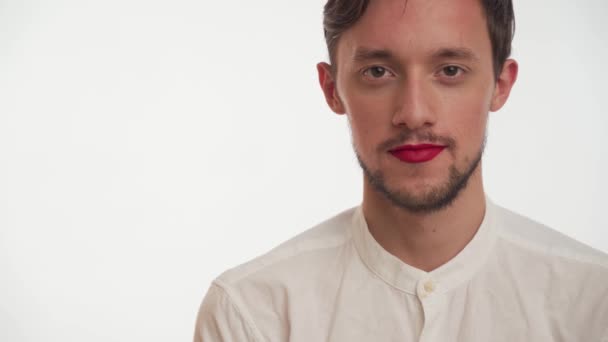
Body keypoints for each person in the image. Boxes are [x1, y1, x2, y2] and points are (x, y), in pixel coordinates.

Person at [193, 0, 608, 340]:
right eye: (378, 72)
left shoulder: (593, 304)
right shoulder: (251, 316)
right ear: (331, 88)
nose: (413, 114)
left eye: (450, 70)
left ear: (501, 83)